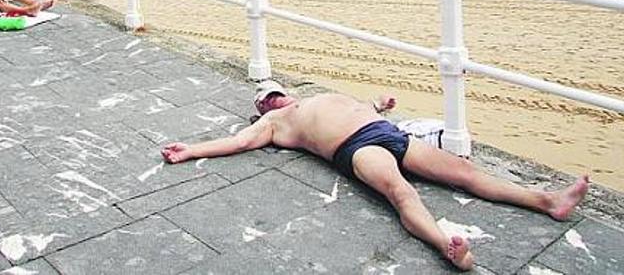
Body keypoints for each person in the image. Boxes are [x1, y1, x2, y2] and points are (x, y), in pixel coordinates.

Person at [161, 81, 590, 271]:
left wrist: (379, 103)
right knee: (400, 193)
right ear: (263, 109)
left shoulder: (315, 96)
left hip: (387, 132)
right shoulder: (272, 124)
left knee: (463, 171)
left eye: (275, 92)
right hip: (357, 149)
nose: (273, 99)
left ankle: (546, 200)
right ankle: (447, 246)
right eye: (265, 100)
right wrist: (191, 150)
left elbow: (361, 106)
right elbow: (237, 142)